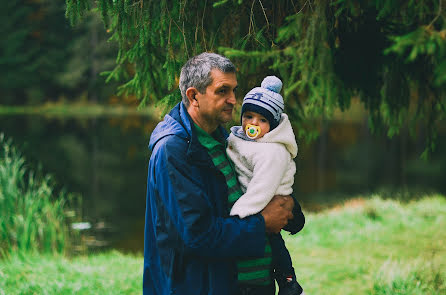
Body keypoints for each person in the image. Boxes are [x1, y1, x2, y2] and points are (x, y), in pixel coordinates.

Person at [143, 52, 305, 295]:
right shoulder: (174, 152)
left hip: (251, 285)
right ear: (194, 96)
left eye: (234, 90)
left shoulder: (225, 140)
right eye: (222, 91)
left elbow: (255, 186)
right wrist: (262, 223)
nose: (233, 100)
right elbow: (197, 235)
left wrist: (290, 210)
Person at [227, 76, 305, 295]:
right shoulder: (242, 138)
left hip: (271, 197)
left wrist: (239, 215)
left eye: (262, 120)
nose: (253, 124)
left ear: (273, 125)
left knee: (274, 242)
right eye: (248, 116)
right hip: (259, 198)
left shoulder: (272, 151)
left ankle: (289, 282)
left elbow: (262, 189)